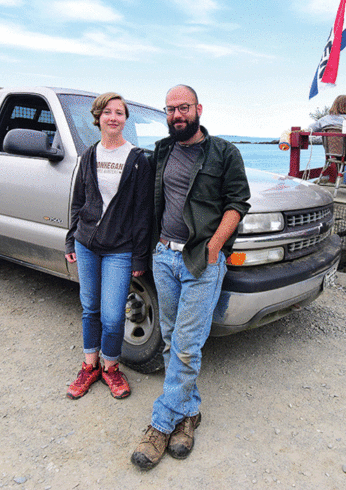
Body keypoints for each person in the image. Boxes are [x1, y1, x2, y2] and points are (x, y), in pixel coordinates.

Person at [131, 85, 251, 470]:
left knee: (186, 344)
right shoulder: (163, 150)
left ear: (199, 108)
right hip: (164, 257)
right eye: (170, 110)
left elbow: (237, 203)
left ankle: (160, 425)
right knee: (171, 340)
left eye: (183, 108)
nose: (176, 115)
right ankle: (189, 414)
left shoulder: (225, 153)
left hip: (201, 259)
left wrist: (215, 246)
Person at [64, 92, 153, 400]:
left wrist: (140, 254)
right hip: (86, 243)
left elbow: (144, 212)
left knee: (113, 316)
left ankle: (111, 368)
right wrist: (70, 237)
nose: (114, 117)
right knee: (90, 308)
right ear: (98, 117)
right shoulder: (88, 155)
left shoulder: (138, 159)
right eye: (109, 112)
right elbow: (78, 200)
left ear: (125, 120)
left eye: (120, 113)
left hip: (120, 249)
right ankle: (90, 366)